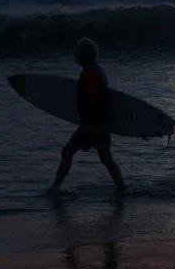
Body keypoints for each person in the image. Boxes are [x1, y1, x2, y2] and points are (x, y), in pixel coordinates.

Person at [50, 38, 127, 193]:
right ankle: (122, 188)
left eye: (77, 52)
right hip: (100, 122)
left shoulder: (90, 73)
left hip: (93, 124)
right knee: (105, 157)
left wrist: (87, 125)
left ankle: (55, 188)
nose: (74, 54)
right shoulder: (95, 69)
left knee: (68, 152)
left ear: (84, 55)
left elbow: (92, 101)